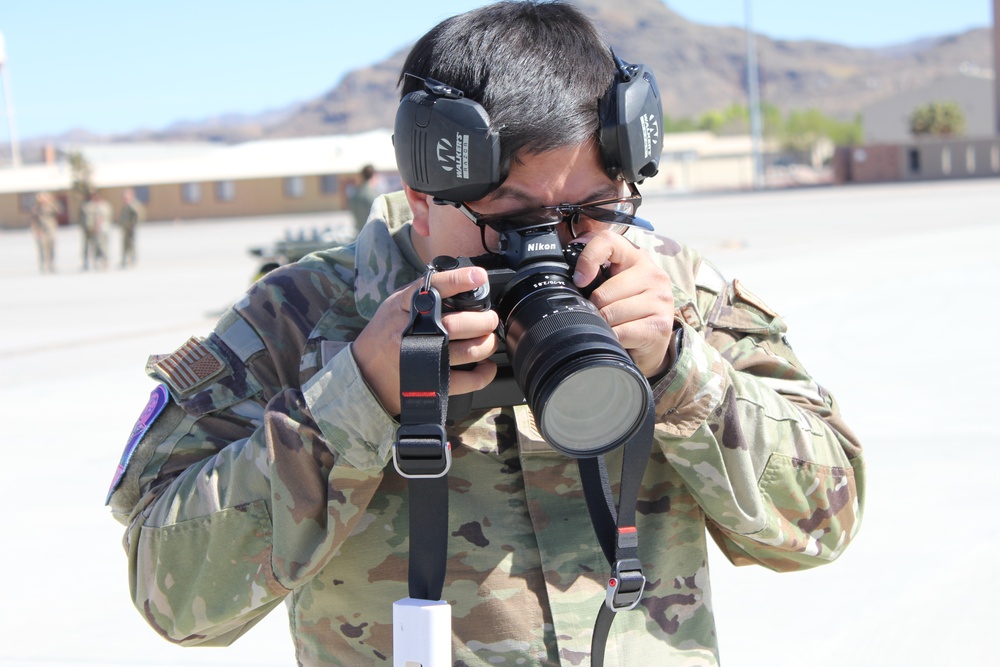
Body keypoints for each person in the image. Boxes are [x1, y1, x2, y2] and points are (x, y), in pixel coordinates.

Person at [106, 3, 864, 665]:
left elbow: (826, 521)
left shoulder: (668, 289)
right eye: (509, 219)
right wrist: (356, 401)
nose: (555, 250)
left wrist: (679, 371)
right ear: (420, 195)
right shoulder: (299, 317)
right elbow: (170, 593)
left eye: (591, 209)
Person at [79, 190, 111, 270]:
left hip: (97, 229)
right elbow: (81, 218)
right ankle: (87, 263)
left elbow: (100, 217)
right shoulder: (84, 206)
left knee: (100, 246)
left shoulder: (99, 206)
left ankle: (102, 261)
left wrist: (97, 226)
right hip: (87, 229)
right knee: (87, 247)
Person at [30, 192, 61, 273]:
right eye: (41, 198)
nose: (43, 200)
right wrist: (36, 230)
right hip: (41, 231)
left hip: (50, 230)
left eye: (44, 198)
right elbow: (33, 220)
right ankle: (43, 265)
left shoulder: (51, 207)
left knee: (51, 248)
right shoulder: (36, 208)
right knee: (42, 249)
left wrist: (51, 202)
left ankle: (51, 264)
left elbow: (59, 210)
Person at [117, 187, 146, 268]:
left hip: (131, 228)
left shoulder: (133, 205)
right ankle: (125, 260)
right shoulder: (126, 206)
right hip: (125, 228)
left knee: (131, 244)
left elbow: (138, 216)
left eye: (125, 197)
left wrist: (132, 224)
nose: (124, 199)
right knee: (125, 244)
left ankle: (133, 260)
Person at [348, 163, 378, 235]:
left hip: (360, 235)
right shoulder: (373, 195)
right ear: (373, 176)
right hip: (373, 235)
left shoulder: (355, 194)